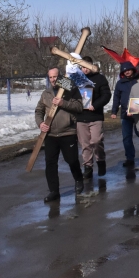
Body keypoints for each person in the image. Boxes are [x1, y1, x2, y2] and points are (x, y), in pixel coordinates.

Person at [35, 67, 84, 202]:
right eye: (50, 77)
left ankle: (79, 179)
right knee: (50, 163)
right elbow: (39, 111)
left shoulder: (71, 89)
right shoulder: (46, 93)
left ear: (61, 77)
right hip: (51, 134)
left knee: (71, 160)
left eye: (55, 77)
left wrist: (63, 103)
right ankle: (54, 191)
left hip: (67, 132)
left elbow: (79, 107)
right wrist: (40, 123)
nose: (53, 80)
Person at [68, 54, 111, 178]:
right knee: (85, 144)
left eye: (87, 67)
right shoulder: (76, 78)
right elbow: (66, 89)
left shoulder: (100, 78)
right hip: (81, 116)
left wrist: (95, 105)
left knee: (96, 141)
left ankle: (101, 160)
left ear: (92, 66)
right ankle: (88, 167)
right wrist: (65, 75)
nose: (85, 69)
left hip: (95, 115)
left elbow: (106, 95)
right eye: (82, 67)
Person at [110, 62, 139, 168]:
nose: (127, 72)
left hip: (138, 112)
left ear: (132, 70)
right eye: (124, 71)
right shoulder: (120, 83)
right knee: (127, 137)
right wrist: (114, 111)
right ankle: (130, 158)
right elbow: (116, 98)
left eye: (129, 70)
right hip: (125, 114)